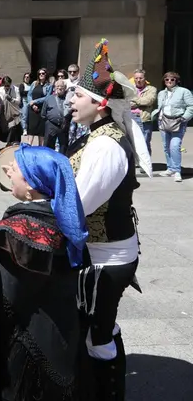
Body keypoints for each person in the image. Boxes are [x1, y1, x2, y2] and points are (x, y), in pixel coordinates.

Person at [66, 38, 153, 400]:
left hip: (106, 259)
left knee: (96, 337)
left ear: (100, 103)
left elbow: (77, 205)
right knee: (98, 327)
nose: (71, 101)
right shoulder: (96, 136)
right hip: (101, 253)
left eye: (78, 96)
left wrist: (35, 198)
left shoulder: (105, 145)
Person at [0, 144, 88, 400]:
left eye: (17, 168)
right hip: (65, 341)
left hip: (27, 353)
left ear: (33, 187)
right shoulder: (66, 222)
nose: (9, 170)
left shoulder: (13, 234)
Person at [152, 71, 192, 182]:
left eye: (172, 79)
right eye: (167, 79)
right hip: (163, 122)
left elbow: (191, 106)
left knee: (175, 146)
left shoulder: (184, 92)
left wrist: (184, 118)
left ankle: (177, 170)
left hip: (178, 122)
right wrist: (157, 117)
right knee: (166, 146)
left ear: (177, 81)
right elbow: (160, 107)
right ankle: (170, 168)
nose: (169, 81)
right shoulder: (161, 93)